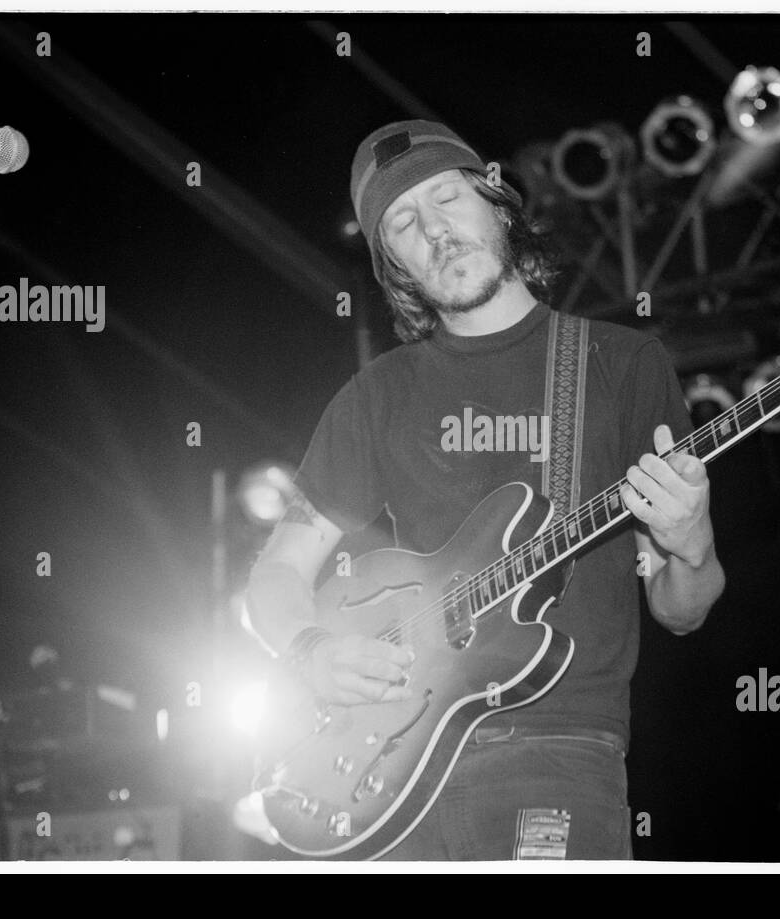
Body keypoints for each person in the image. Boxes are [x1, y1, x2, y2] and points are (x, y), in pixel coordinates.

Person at [246, 119, 726, 860]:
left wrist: (691, 546)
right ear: (394, 265)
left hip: (557, 751)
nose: (433, 229)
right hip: (391, 766)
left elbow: (682, 610)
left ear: (498, 207)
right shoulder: (378, 394)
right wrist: (310, 650)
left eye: (448, 198)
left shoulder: (620, 364)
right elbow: (274, 574)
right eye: (403, 223)